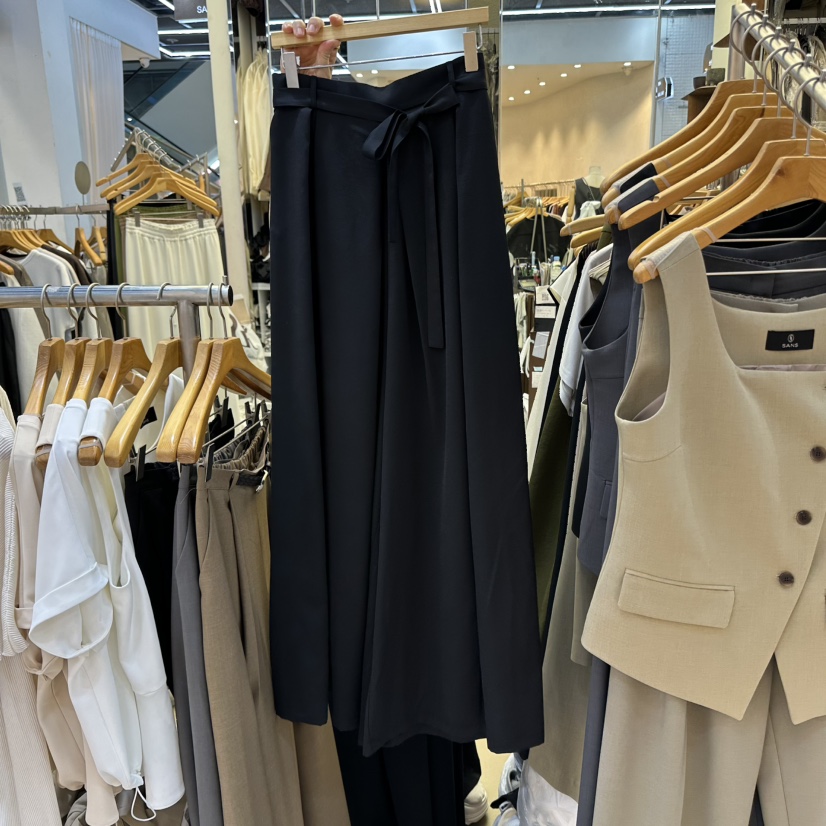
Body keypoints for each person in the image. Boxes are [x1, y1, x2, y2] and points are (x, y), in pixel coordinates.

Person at [275, 17, 492, 823]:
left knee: (441, 493)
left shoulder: (456, 121)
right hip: (328, 140)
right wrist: (313, 91)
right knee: (352, 491)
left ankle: (425, 760)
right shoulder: (309, 131)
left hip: (447, 147)